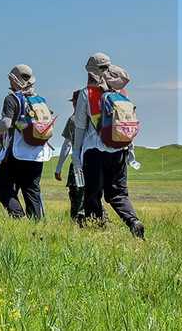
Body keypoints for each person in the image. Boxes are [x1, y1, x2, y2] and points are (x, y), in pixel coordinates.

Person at [71, 53, 145, 239]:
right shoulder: (122, 94)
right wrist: (130, 150)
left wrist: (76, 154)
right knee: (118, 194)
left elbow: (79, 127)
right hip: (120, 149)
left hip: (94, 152)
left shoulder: (86, 94)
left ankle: (97, 233)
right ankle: (133, 221)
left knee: (93, 194)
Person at [0, 65, 53, 219]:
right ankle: (36, 226)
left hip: (18, 152)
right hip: (38, 153)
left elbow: (6, 124)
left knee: (1, 184)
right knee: (32, 190)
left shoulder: (12, 99)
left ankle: (17, 216)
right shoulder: (40, 100)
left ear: (14, 80)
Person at [55, 91, 85, 223]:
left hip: (78, 164)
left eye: (74, 102)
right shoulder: (94, 118)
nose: (73, 104)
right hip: (94, 162)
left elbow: (67, 144)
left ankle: (77, 222)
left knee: (76, 194)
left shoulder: (73, 120)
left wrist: (59, 167)